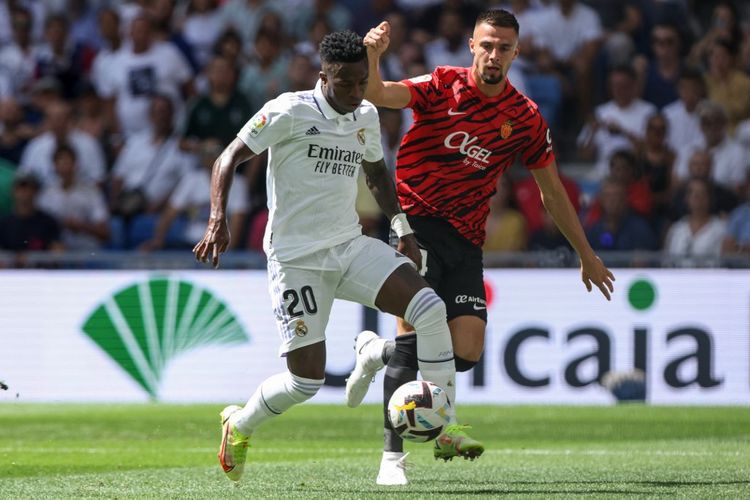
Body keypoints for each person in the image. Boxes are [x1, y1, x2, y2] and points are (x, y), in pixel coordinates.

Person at [192, 29, 483, 483]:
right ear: (323, 76)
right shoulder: (288, 111)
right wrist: (217, 218)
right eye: (344, 82)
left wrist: (401, 226)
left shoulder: (365, 113)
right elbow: (227, 158)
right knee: (306, 380)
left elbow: (376, 173)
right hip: (296, 260)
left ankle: (443, 425)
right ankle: (240, 423)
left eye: (361, 81)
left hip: (347, 246)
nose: (354, 92)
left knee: (429, 308)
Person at [349, 10, 615, 486]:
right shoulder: (440, 84)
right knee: (413, 346)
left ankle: (375, 351)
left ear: (517, 52)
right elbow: (376, 93)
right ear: (472, 45)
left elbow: (552, 192)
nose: (494, 55)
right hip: (415, 226)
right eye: (487, 45)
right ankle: (392, 460)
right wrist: (372, 55)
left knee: (466, 353)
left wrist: (586, 253)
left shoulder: (525, 117)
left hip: (468, 240)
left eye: (504, 48)